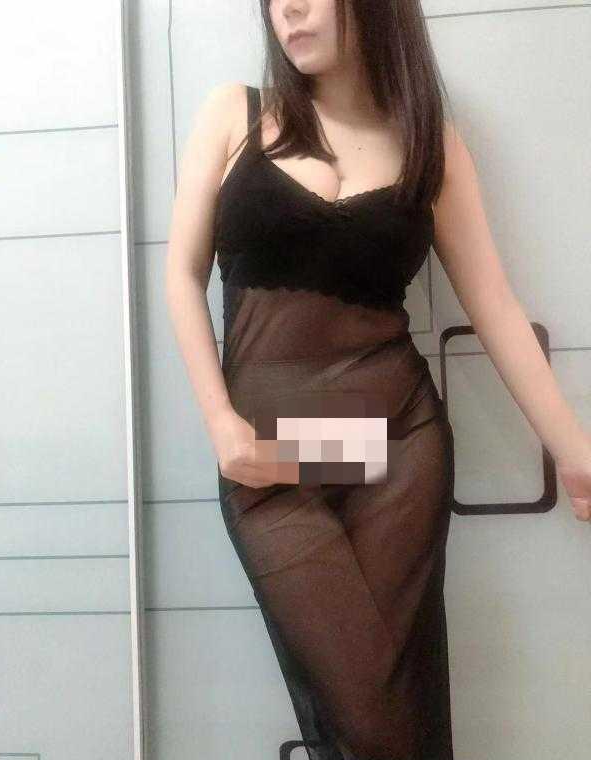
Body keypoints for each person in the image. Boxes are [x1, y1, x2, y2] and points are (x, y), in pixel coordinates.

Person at [165, 1, 591, 757]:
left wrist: (576, 451)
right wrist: (221, 423)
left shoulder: (430, 143)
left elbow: (494, 305)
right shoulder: (236, 113)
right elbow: (180, 273)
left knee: (393, 712)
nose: (288, 8)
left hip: (394, 445)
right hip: (270, 458)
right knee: (367, 716)